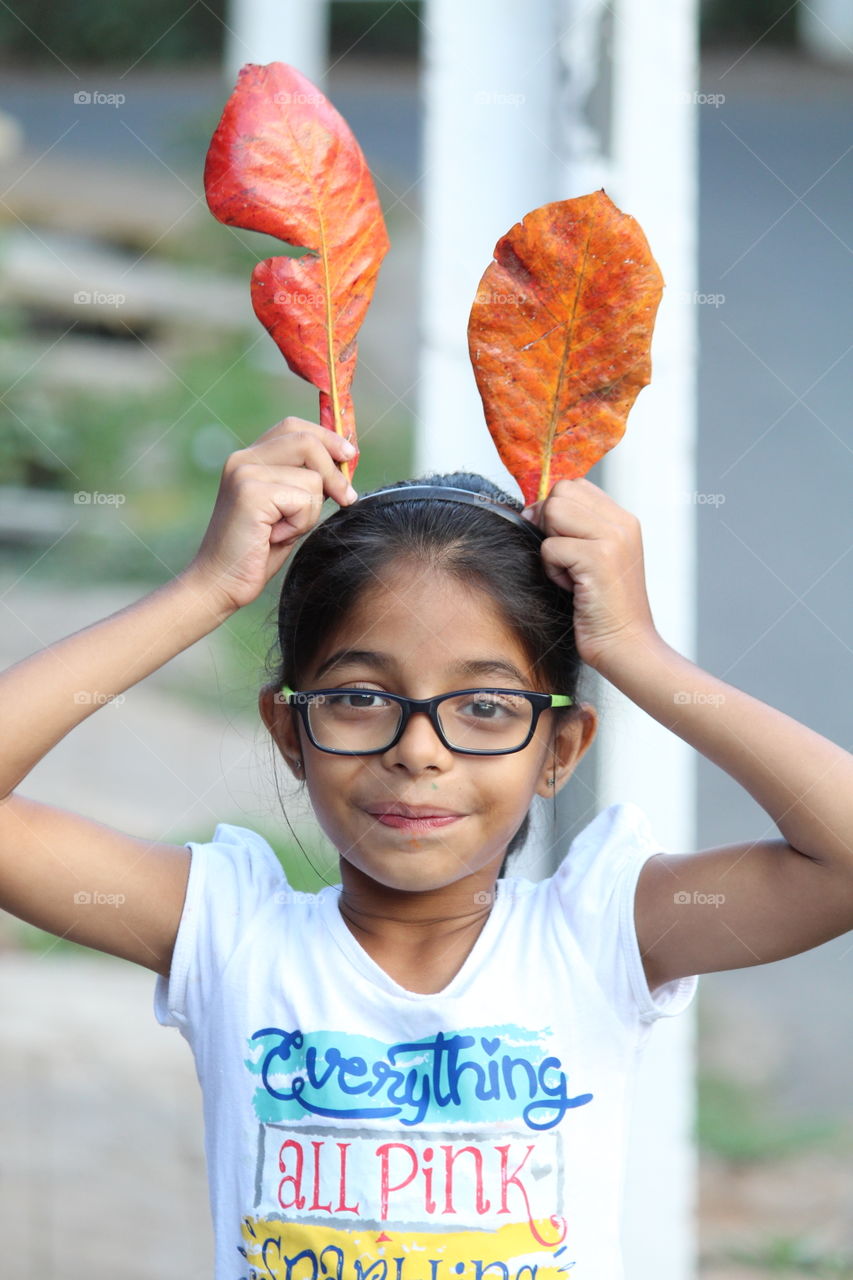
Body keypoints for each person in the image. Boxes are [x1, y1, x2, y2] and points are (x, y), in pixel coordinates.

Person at [2, 416, 851, 1280]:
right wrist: (205, 590)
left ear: (558, 750)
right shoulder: (231, 937)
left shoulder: (596, 941)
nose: (418, 750)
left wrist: (636, 652)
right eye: (361, 697)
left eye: (484, 707)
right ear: (288, 732)